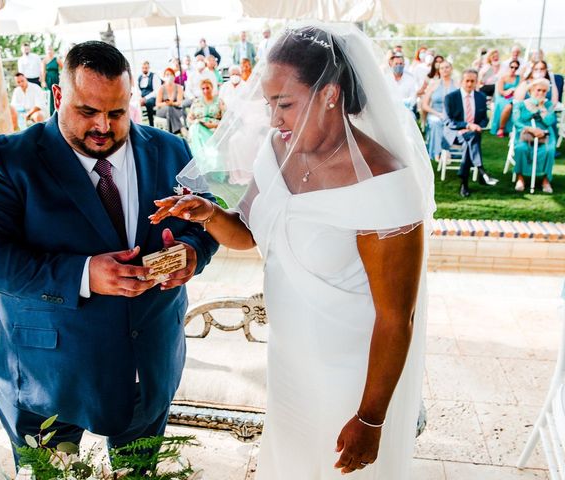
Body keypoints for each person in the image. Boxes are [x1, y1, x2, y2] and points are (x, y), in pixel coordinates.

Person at [151, 25, 434, 479]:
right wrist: (207, 214)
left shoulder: (386, 184)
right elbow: (250, 236)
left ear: (330, 94)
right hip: (288, 361)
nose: (274, 118)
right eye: (269, 104)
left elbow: (396, 318)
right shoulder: (277, 149)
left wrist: (370, 417)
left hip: (352, 377)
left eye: (284, 104)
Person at [0, 40, 218, 462]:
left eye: (117, 112)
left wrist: (192, 252)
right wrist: (82, 274)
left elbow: (209, 221)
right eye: (87, 111)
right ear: (59, 96)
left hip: (148, 363)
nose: (103, 126)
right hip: (47, 377)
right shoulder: (9, 159)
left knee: (137, 472)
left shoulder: (172, 149)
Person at [444, 69, 498, 198]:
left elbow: (484, 118)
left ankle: (464, 182)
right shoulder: (451, 97)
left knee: (471, 139)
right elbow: (448, 121)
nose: (469, 84)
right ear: (461, 81)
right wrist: (467, 125)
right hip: (455, 133)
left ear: (476, 82)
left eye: (472, 81)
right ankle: (481, 170)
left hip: (473, 133)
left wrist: (479, 126)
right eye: (467, 81)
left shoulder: (481, 97)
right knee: (472, 139)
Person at [512, 78, 557, 194]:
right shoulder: (521, 104)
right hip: (525, 133)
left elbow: (550, 121)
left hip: (545, 133)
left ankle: (546, 181)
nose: (541, 93)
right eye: (538, 90)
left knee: (549, 149)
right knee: (521, 148)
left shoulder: (548, 104)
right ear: (531, 90)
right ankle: (520, 178)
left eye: (544, 91)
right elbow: (516, 121)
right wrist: (530, 129)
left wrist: (542, 108)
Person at [422, 60, 457, 160]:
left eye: (447, 67)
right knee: (435, 123)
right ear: (439, 71)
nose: (444, 70)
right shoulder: (434, 84)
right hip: (436, 113)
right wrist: (438, 113)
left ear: (451, 69)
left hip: (452, 115)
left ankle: (447, 151)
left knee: (452, 124)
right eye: (442, 68)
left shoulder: (457, 84)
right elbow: (425, 105)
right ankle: (437, 154)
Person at [187, 79, 223, 172]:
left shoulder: (219, 101)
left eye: (207, 88)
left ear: (212, 88)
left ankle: (210, 166)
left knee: (197, 130)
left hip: (214, 128)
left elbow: (225, 119)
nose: (205, 91)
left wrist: (214, 125)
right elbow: (189, 118)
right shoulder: (197, 102)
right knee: (195, 128)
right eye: (203, 88)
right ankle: (200, 165)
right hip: (198, 127)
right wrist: (196, 122)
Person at [490, 59, 520, 137]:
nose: (513, 69)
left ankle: (514, 129)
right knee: (508, 107)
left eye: (516, 68)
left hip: (515, 98)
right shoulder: (503, 78)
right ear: (509, 67)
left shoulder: (519, 78)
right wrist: (508, 91)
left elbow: (520, 90)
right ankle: (501, 128)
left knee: (516, 105)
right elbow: (500, 92)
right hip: (502, 98)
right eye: (512, 67)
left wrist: (514, 91)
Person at [155, 67, 185, 134]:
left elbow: (179, 102)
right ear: (164, 76)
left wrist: (172, 103)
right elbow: (158, 104)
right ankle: (180, 128)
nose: (169, 76)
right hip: (162, 110)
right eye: (167, 74)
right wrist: (166, 103)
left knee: (170, 109)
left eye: (171, 74)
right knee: (169, 108)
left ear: (174, 76)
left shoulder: (179, 87)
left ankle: (170, 133)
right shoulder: (161, 88)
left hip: (175, 109)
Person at [137, 61, 162, 127]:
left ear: (149, 68)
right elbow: (138, 90)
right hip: (142, 98)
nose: (144, 69)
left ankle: (151, 124)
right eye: (143, 68)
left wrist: (145, 98)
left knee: (149, 103)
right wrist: (140, 98)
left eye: (146, 68)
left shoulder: (154, 76)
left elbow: (156, 91)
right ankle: (139, 124)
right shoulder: (139, 78)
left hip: (152, 97)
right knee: (135, 104)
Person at [40, 44, 63, 116]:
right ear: (46, 51)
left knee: (57, 93)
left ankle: (59, 110)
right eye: (48, 50)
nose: (49, 51)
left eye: (51, 50)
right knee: (50, 96)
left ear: (53, 51)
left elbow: (64, 68)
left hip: (56, 78)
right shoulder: (44, 60)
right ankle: (52, 113)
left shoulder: (57, 59)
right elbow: (43, 72)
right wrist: (43, 81)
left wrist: (61, 76)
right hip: (48, 80)